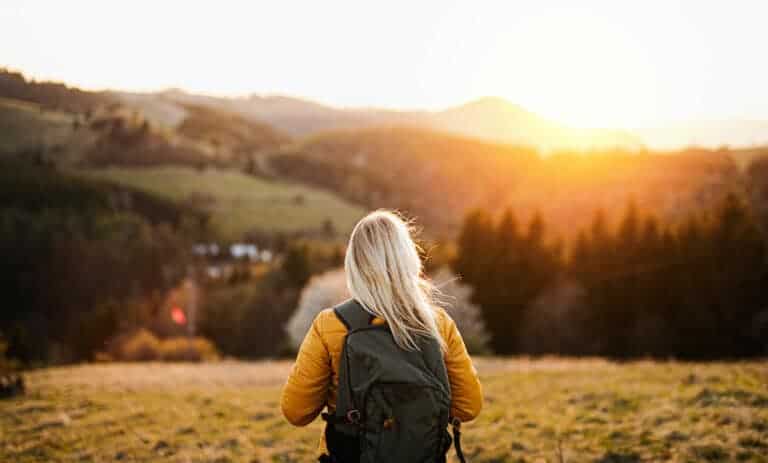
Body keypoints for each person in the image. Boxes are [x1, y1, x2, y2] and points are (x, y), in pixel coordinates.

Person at [281, 209, 483, 462]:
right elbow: (469, 407)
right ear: (409, 260)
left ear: (354, 265)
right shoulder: (438, 324)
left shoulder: (330, 325)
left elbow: (295, 411)